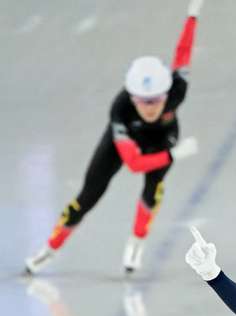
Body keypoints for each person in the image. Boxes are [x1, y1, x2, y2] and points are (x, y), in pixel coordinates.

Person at [24, 0, 203, 275]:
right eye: (143, 101)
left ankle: (136, 242)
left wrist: (192, 16)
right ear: (132, 97)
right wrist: (173, 156)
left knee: (152, 193)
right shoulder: (120, 110)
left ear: (167, 94)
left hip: (162, 139)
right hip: (128, 145)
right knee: (87, 197)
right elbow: (133, 164)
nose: (150, 107)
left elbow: (183, 52)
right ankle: (49, 249)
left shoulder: (178, 89)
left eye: (155, 100)